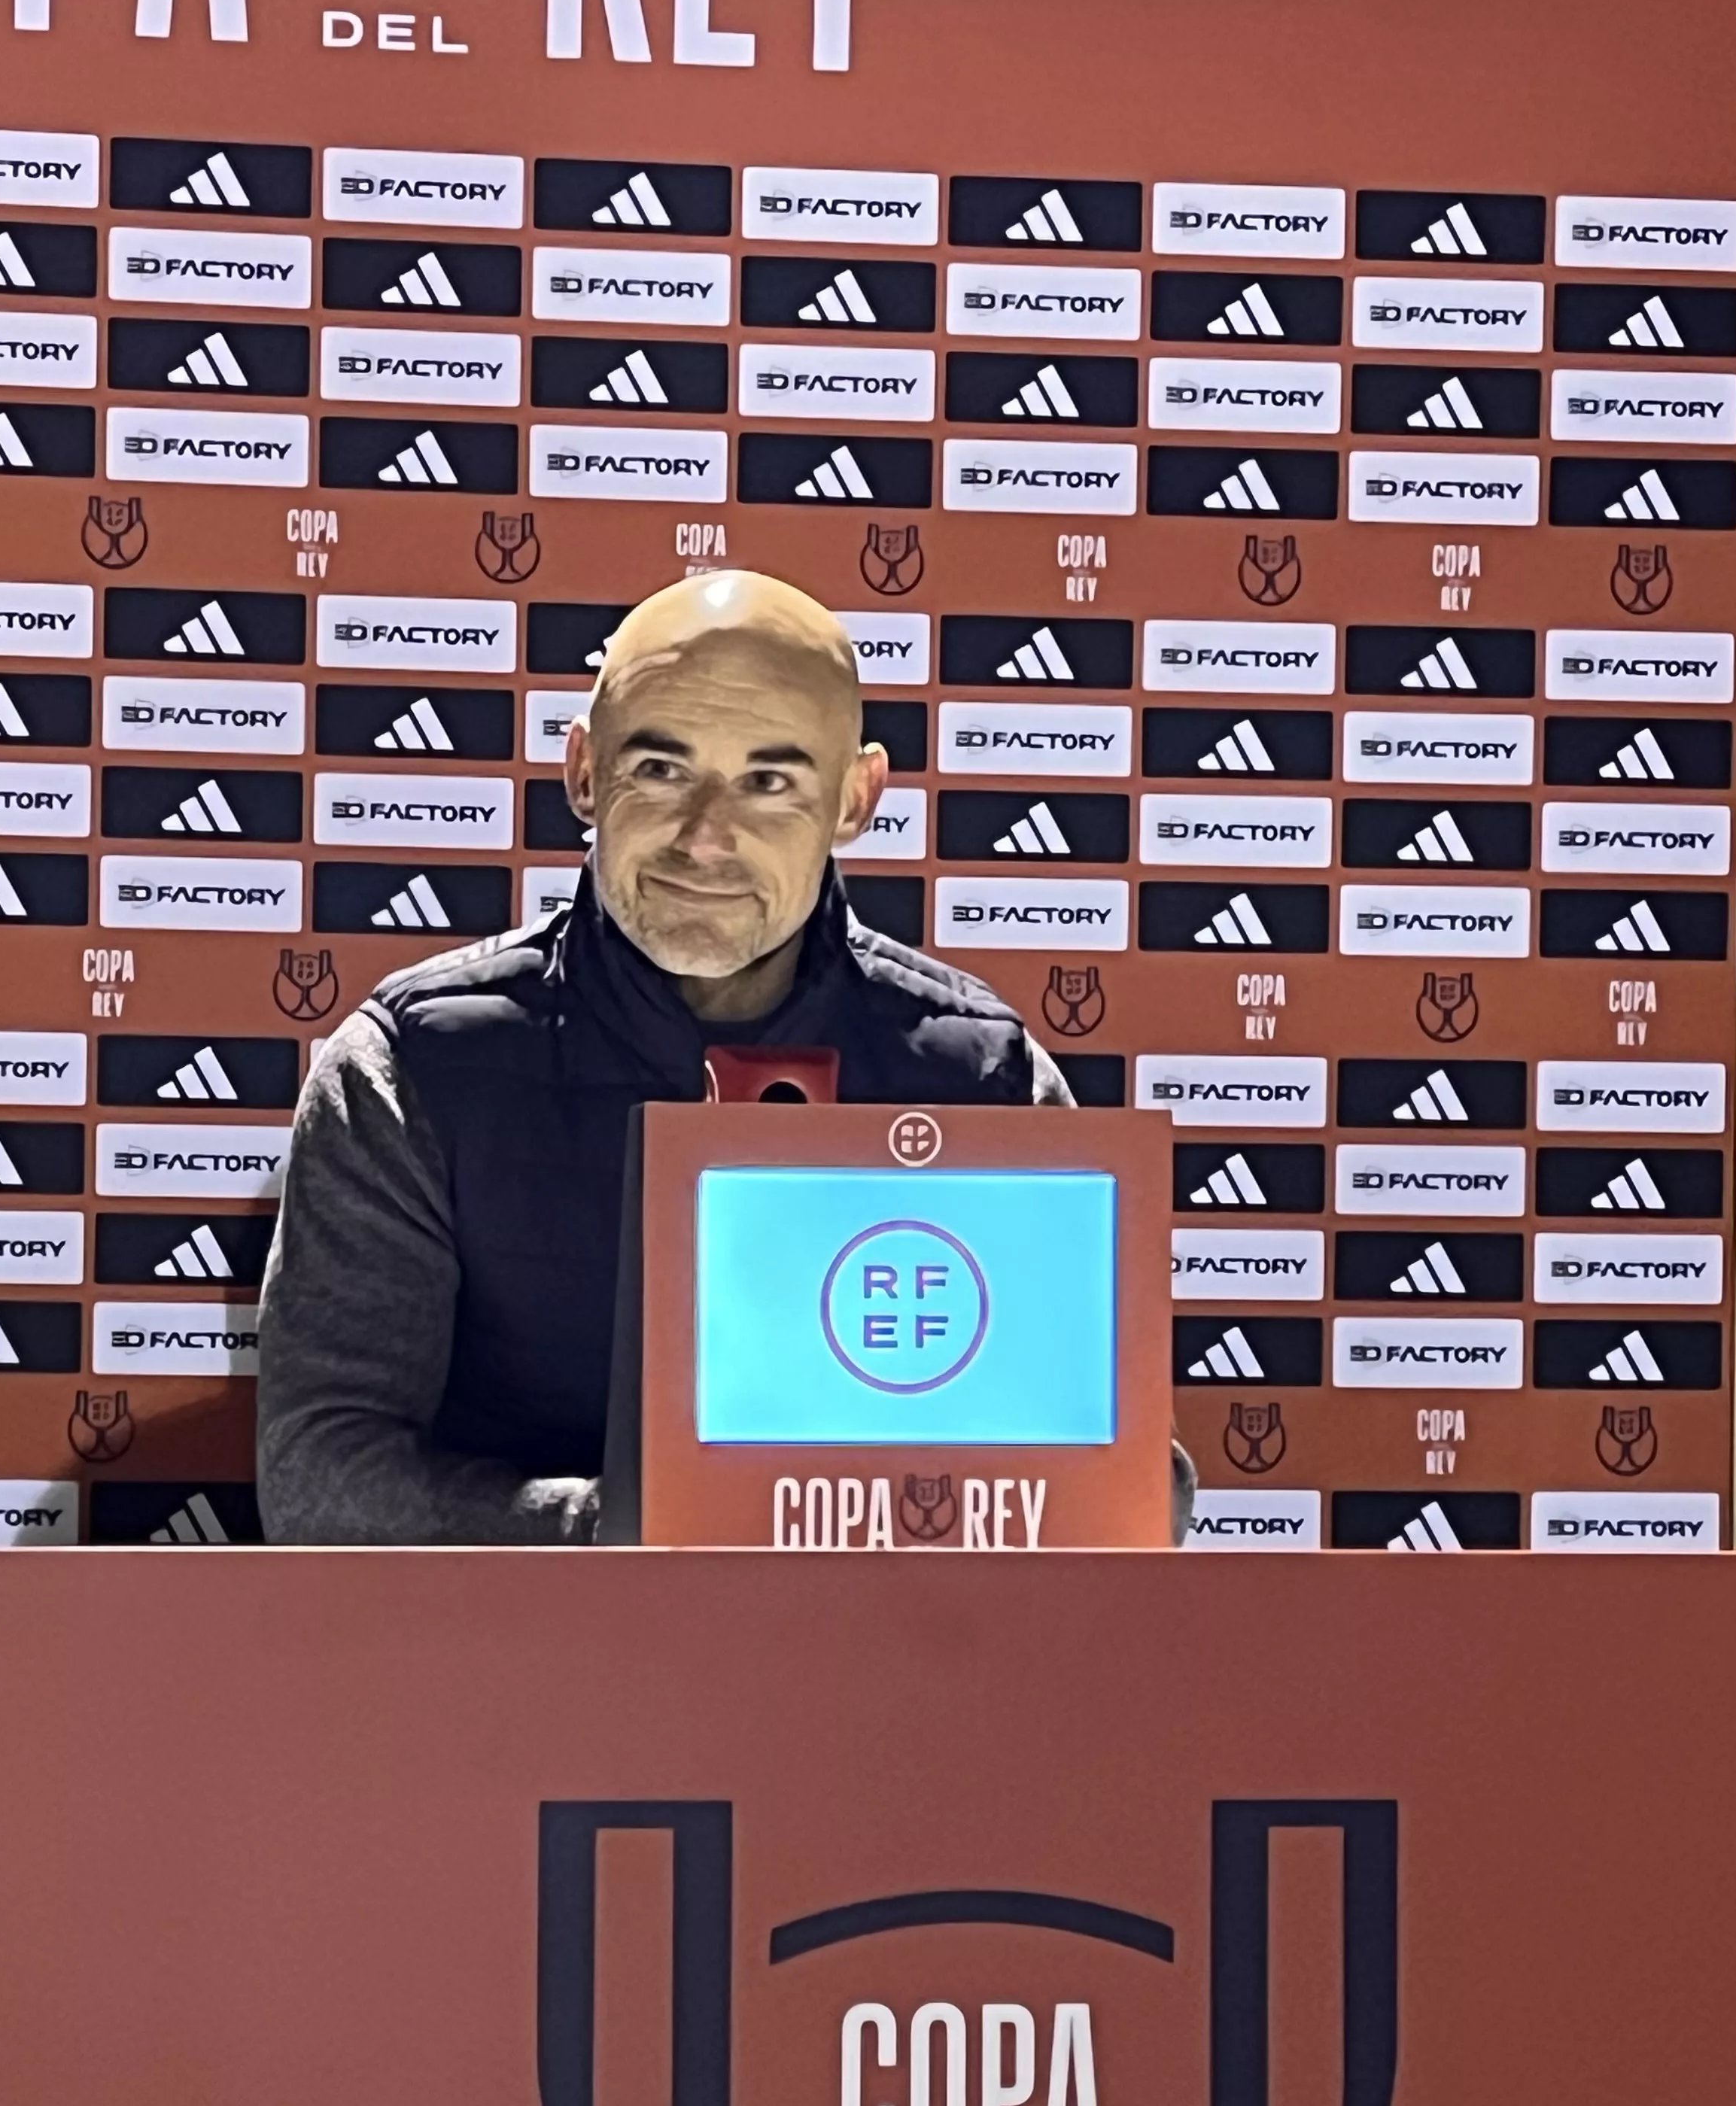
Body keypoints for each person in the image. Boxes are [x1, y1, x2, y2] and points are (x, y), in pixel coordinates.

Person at [256, 570, 1178, 1541]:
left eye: (770, 782)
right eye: (660, 770)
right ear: (582, 773)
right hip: (520, 1673)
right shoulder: (415, 1065)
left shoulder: (978, 1074)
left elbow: (1135, 1490)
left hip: (888, 1676)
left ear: (857, 799)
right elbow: (321, 1480)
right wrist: (649, 1532)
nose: (707, 837)